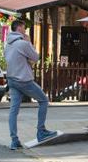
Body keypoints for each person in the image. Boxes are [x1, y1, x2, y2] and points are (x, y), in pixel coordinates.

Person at [5, 19, 57, 150]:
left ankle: (14, 140)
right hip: (23, 80)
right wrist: (28, 42)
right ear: (19, 29)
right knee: (44, 100)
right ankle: (41, 131)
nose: (25, 31)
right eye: (24, 28)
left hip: (11, 79)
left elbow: (19, 59)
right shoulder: (23, 43)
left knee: (13, 110)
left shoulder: (8, 44)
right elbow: (36, 57)